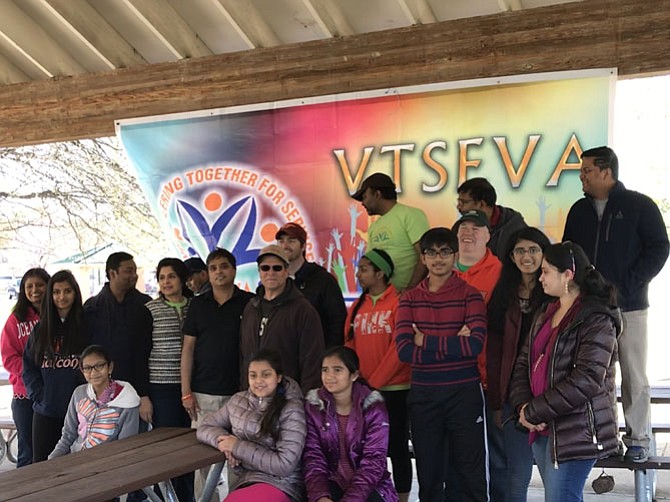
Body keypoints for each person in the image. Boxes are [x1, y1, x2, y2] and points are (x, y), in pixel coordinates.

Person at [562, 146, 669, 463]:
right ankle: (605, 439)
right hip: (590, 308)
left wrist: (629, 282)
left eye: (587, 171)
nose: (581, 176)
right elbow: (570, 252)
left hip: (631, 305)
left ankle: (638, 439)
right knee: (597, 373)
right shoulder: (578, 211)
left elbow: (659, 248)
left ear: (606, 171)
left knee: (634, 374)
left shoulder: (638, 205)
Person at [510, 242, 621, 502]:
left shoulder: (597, 318)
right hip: (540, 426)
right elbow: (523, 363)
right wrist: (522, 407)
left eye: (546, 271)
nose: (540, 278)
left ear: (567, 275)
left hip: (577, 430)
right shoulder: (546, 312)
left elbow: (586, 380)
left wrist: (533, 411)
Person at [396, 228, 488, 502]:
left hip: (464, 394)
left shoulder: (471, 296)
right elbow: (404, 351)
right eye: (432, 253)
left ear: (455, 256)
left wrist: (425, 339)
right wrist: (451, 343)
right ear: (423, 258)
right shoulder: (409, 299)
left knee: (469, 472)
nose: (439, 259)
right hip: (425, 396)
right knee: (429, 473)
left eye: (445, 252)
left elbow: (474, 345)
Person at [181, 248, 254, 501]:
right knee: (201, 461)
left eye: (224, 266)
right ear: (208, 274)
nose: (219, 272)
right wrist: (185, 392)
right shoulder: (198, 305)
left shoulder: (249, 302)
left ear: (234, 270)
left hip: (241, 394)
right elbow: (188, 349)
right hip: (203, 394)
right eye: (213, 268)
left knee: (240, 459)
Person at [486, 228, 551, 502]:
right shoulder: (503, 294)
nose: (527, 256)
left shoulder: (555, 292)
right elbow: (495, 351)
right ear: (511, 257)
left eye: (534, 250)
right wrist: (498, 401)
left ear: (543, 254)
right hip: (515, 394)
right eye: (520, 251)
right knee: (517, 474)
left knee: (554, 477)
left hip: (550, 395)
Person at [344, 249, 411, 502]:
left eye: (363, 269)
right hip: (363, 391)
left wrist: (374, 383)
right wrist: (356, 383)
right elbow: (348, 345)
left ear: (380, 273)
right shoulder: (357, 307)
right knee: (368, 450)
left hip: (395, 390)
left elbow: (399, 349)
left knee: (397, 449)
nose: (358, 274)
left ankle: (402, 498)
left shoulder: (399, 302)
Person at [197, 349, 306, 502]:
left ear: (279, 377)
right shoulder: (238, 401)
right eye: (253, 375)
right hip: (246, 481)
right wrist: (225, 443)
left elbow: (285, 465)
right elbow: (204, 427)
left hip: (282, 484)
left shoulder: (291, 408)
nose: (258, 381)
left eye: (266, 375)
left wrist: (237, 447)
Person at [303, 346, 398, 502]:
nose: (329, 376)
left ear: (354, 375)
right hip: (331, 480)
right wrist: (320, 496)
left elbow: (373, 462)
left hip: (369, 485)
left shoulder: (373, 408)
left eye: (337, 370)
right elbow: (313, 456)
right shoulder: (314, 406)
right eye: (325, 370)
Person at [22, 270, 89, 462]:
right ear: (50, 295)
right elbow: (28, 367)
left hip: (79, 411)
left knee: (77, 465)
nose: (62, 297)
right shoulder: (40, 329)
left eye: (67, 291)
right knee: (42, 465)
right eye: (56, 292)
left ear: (75, 293)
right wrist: (40, 396)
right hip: (46, 411)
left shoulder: (86, 326)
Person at [239, 245, 324, 392]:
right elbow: (243, 354)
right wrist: (243, 389)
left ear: (287, 271)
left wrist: (307, 400)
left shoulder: (303, 310)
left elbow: (312, 359)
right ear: (259, 272)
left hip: (287, 399)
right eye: (265, 268)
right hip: (252, 397)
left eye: (277, 268)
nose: (270, 272)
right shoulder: (251, 307)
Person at [84, 252, 153, 425]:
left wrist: (144, 394)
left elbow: (145, 352)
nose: (134, 275)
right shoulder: (92, 308)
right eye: (128, 271)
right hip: (100, 392)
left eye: (135, 271)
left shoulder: (145, 305)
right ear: (112, 273)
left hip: (136, 393)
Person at [146, 257, 194, 502]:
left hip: (192, 387)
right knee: (165, 448)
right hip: (161, 387)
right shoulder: (150, 310)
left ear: (183, 278)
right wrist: (145, 395)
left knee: (189, 447)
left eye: (171, 276)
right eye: (162, 277)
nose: (166, 282)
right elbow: (141, 351)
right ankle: (164, 497)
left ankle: (188, 497)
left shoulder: (196, 306)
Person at [49, 344, 140, 458]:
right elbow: (68, 435)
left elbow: (125, 447)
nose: (93, 372)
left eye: (99, 366)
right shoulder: (79, 393)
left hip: (108, 463)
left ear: (110, 367)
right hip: (74, 459)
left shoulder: (127, 400)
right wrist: (52, 460)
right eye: (87, 368)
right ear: (82, 371)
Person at [1, 268, 50, 467]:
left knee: (52, 451)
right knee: (27, 452)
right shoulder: (16, 319)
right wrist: (33, 373)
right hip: (25, 396)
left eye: (39, 285)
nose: (35, 290)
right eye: (29, 286)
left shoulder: (57, 316)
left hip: (53, 395)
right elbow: (8, 357)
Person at [352, 172, 430, 290]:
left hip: (409, 299)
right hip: (385, 300)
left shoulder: (411, 215)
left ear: (377, 194)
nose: (362, 203)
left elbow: (425, 256)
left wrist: (410, 291)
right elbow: (370, 263)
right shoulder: (374, 226)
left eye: (365, 197)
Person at [276, 222, 347, 348]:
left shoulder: (323, 280)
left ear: (303, 246)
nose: (285, 246)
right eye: (281, 241)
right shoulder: (273, 281)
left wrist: (327, 359)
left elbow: (337, 323)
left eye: (291, 241)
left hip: (315, 359)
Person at [456, 177, 527, 258]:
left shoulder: (515, 227)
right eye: (459, 201)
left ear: (481, 204)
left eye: (463, 202)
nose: (459, 207)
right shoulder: (461, 227)